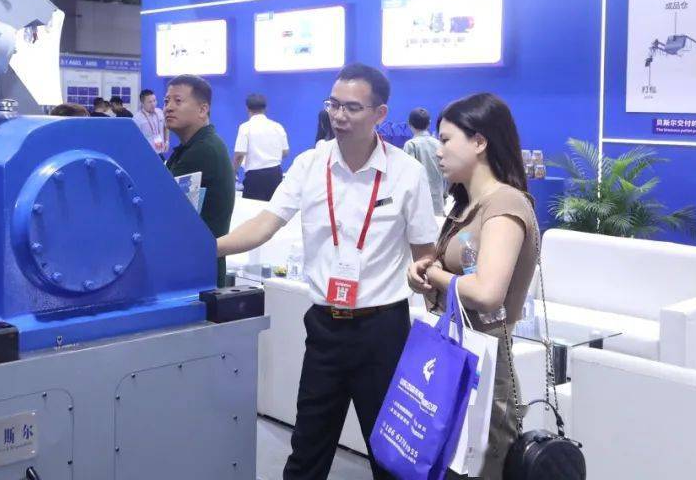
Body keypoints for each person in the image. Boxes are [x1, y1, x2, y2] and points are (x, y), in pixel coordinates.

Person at [218, 63, 438, 480]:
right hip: (325, 326)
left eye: (352, 107)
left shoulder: (407, 174)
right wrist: (211, 248)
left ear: (379, 114)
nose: (339, 115)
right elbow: (265, 223)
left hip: (383, 330)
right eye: (333, 104)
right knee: (308, 448)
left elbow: (424, 255)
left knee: (390, 455)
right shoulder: (309, 165)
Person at [405, 93, 540, 480]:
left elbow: (486, 293)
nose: (439, 151)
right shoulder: (465, 204)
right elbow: (459, 274)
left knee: (479, 468)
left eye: (447, 140)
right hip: (456, 353)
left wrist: (435, 276)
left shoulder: (505, 204)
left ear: (479, 142)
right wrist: (424, 273)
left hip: (485, 365)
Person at [164, 75, 236, 288]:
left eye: (178, 101)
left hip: (196, 272)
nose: (168, 107)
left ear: (203, 110)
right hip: (192, 266)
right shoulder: (193, 147)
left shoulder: (203, 151)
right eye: (166, 101)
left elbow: (166, 212)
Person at [233, 93, 290, 202]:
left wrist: (232, 173)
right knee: (273, 208)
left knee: (252, 208)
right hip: (275, 174)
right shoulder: (277, 126)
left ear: (247, 109)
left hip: (255, 177)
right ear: (265, 108)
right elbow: (285, 152)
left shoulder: (245, 127)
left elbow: (239, 154)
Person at [403, 107, 447, 215]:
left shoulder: (411, 145)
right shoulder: (439, 144)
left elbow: (407, 176)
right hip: (438, 202)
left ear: (409, 124)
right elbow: (446, 174)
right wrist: (444, 195)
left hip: (417, 204)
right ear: (429, 123)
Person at [134, 89, 169, 154]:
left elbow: (166, 127)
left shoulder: (160, 112)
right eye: (150, 102)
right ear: (142, 103)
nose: (153, 104)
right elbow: (135, 139)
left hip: (161, 151)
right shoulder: (137, 119)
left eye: (154, 100)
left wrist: (167, 141)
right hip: (146, 154)